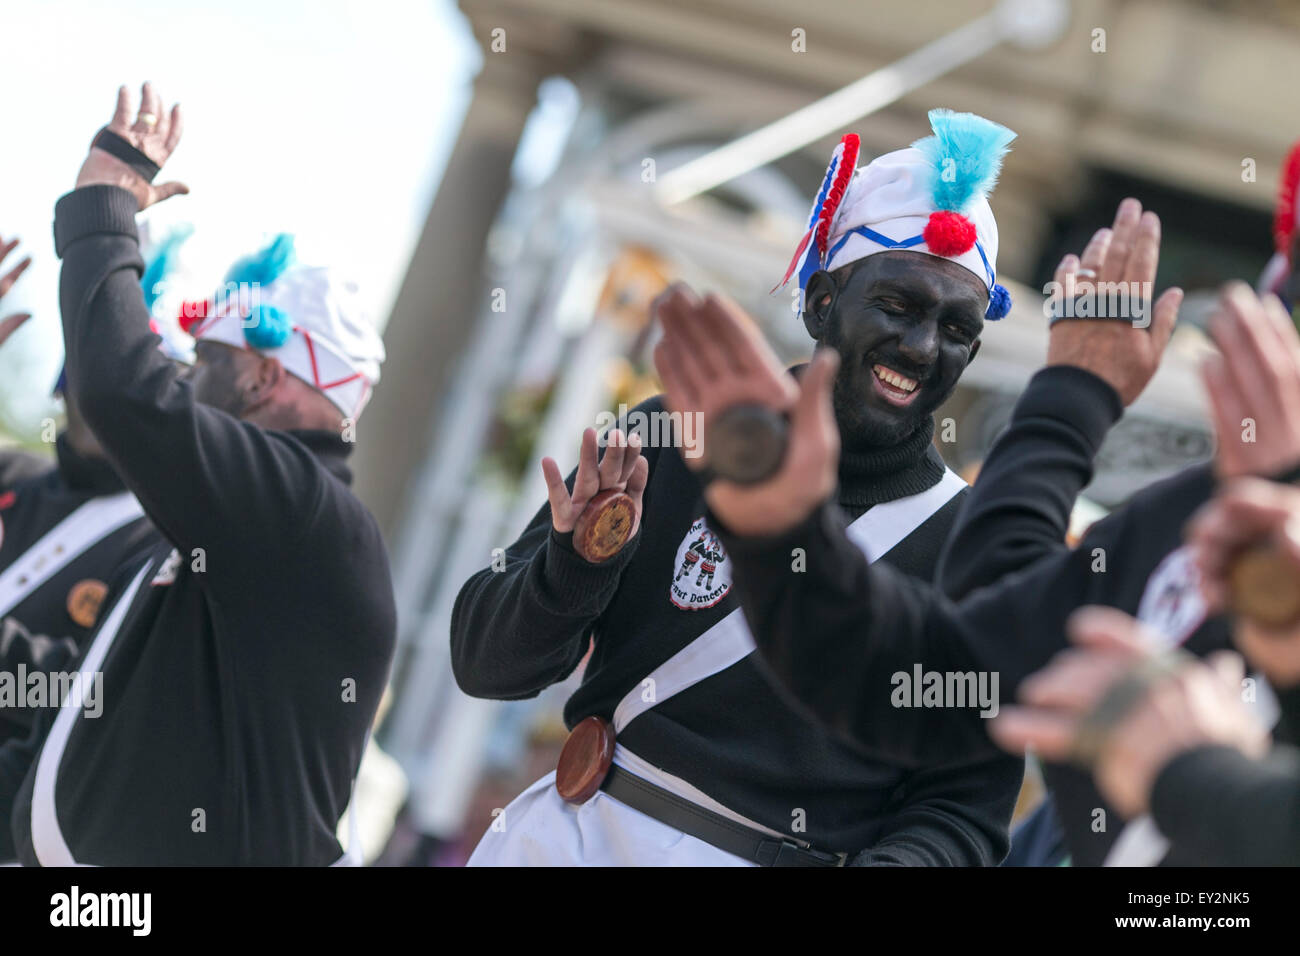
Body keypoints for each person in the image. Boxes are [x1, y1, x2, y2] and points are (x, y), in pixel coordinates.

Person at [458, 111, 1072, 866]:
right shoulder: (677, 433)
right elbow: (485, 667)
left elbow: (959, 817)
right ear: (820, 303)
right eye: (898, 306)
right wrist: (573, 566)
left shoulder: (976, 548)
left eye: (954, 329)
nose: (920, 348)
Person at [652, 248, 1300, 865]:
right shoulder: (1197, 516)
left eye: (955, 325)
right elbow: (952, 677)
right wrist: (781, 527)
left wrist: (1195, 780)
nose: (920, 346)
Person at [4, 83, 395, 865]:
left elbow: (123, 390)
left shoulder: (304, 512)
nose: (189, 380)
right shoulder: (230, 525)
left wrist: (102, 209)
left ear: (261, 376)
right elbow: (71, 740)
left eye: (209, 359)